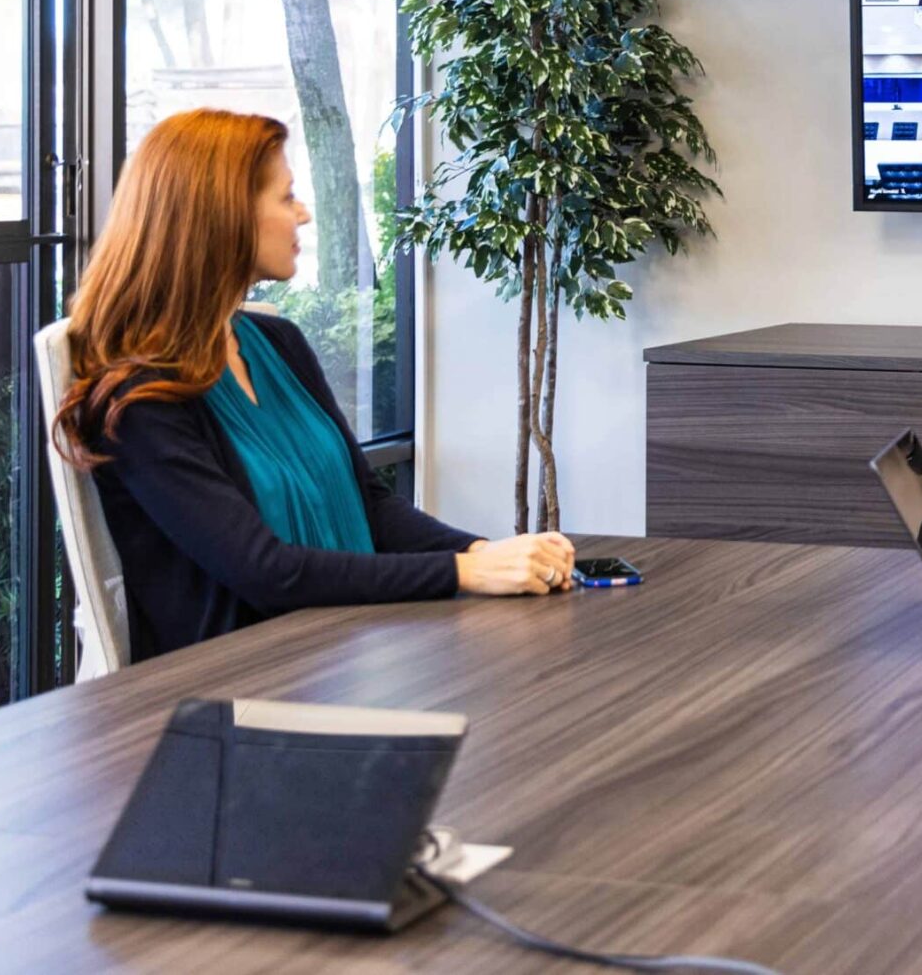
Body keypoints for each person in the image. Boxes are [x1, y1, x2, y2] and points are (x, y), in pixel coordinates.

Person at [53, 109, 577, 663]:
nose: (303, 214)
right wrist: (466, 571)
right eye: (286, 198)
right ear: (222, 216)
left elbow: (369, 506)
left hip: (344, 650)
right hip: (241, 688)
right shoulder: (139, 401)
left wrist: (485, 553)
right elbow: (266, 571)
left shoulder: (276, 342)